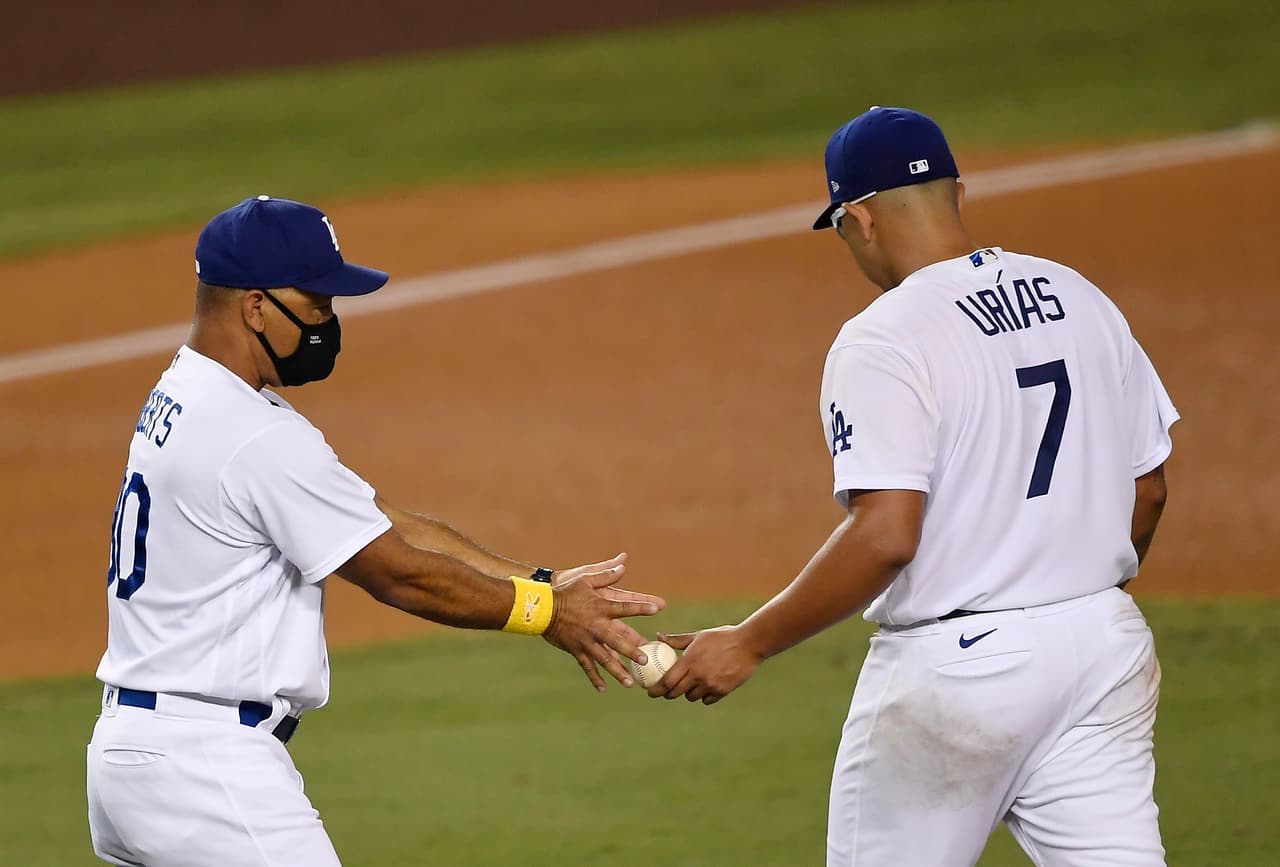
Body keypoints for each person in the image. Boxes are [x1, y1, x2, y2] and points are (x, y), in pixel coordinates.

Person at [648, 107, 1177, 866]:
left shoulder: (884, 335)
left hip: (958, 672)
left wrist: (749, 641)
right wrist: (1069, 588)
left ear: (858, 220)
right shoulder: (1079, 295)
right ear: (958, 195)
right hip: (1103, 646)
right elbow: (1149, 488)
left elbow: (889, 532)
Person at [87, 195, 665, 867]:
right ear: (255, 307)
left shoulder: (185, 393)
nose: (330, 323)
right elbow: (397, 570)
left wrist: (539, 580)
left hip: (133, 757)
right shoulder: (256, 436)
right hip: (205, 772)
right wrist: (547, 614)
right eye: (318, 305)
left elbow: (383, 521)